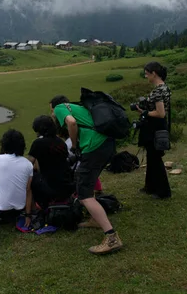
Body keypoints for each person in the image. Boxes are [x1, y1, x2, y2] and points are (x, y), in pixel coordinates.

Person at [50, 95, 122, 255]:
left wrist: (74, 145)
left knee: (84, 194)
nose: (53, 114)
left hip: (94, 147)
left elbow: (71, 122)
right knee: (87, 185)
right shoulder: (79, 107)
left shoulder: (61, 108)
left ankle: (111, 237)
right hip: (107, 144)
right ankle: (95, 219)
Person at [136, 61, 172, 199]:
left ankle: (163, 192)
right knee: (152, 157)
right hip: (160, 127)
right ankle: (150, 187)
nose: (146, 77)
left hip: (154, 127)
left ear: (154, 73)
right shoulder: (165, 88)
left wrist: (144, 112)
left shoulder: (157, 91)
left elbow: (160, 113)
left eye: (147, 74)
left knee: (155, 159)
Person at [28, 115, 74, 209]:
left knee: (30, 177)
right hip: (66, 184)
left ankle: (35, 206)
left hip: (50, 186)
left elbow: (27, 165)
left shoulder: (38, 143)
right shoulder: (61, 142)